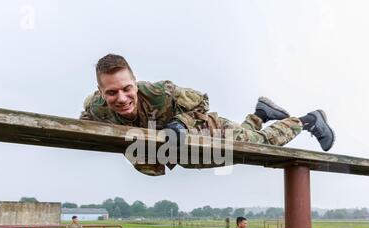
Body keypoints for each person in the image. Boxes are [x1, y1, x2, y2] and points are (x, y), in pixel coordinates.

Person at [80, 54, 335, 176]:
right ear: (101, 92)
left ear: (135, 83)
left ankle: (307, 120)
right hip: (178, 152)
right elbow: (83, 124)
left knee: (256, 146)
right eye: (112, 93)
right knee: (233, 153)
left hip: (204, 127)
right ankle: (260, 113)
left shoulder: (159, 92)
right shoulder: (95, 106)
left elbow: (201, 101)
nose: (122, 99)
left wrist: (180, 123)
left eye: (127, 89)